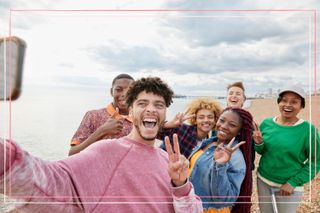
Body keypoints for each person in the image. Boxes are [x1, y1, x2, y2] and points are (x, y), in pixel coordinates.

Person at [0, 77, 203, 213]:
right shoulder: (105, 150)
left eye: (158, 105)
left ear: (164, 114)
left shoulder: (169, 161)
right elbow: (54, 181)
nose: (151, 109)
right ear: (130, 113)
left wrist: (181, 185)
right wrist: (7, 157)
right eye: (142, 103)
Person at [253, 85, 320, 213]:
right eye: (284, 100)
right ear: (279, 102)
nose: (287, 105)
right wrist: (259, 143)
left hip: (289, 187)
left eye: (294, 102)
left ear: (301, 106)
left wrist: (293, 182)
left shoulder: (308, 130)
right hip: (263, 180)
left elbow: (316, 161)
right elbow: (262, 151)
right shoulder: (266, 123)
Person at [189, 107, 253, 213]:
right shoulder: (209, 142)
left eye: (232, 125)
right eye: (222, 120)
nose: (223, 126)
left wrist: (220, 166)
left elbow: (224, 200)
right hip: (191, 205)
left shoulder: (235, 158)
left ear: (239, 131)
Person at [68, 73, 134, 156]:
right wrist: (102, 130)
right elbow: (72, 154)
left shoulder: (139, 121)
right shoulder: (93, 116)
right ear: (111, 92)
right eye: (119, 89)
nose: (124, 94)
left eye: (130, 91)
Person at [226, 81, 255, 171]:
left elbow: (251, 148)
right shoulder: (219, 118)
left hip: (242, 165)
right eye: (231, 93)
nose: (234, 96)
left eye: (238, 94)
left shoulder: (248, 121)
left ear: (244, 99)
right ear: (227, 98)